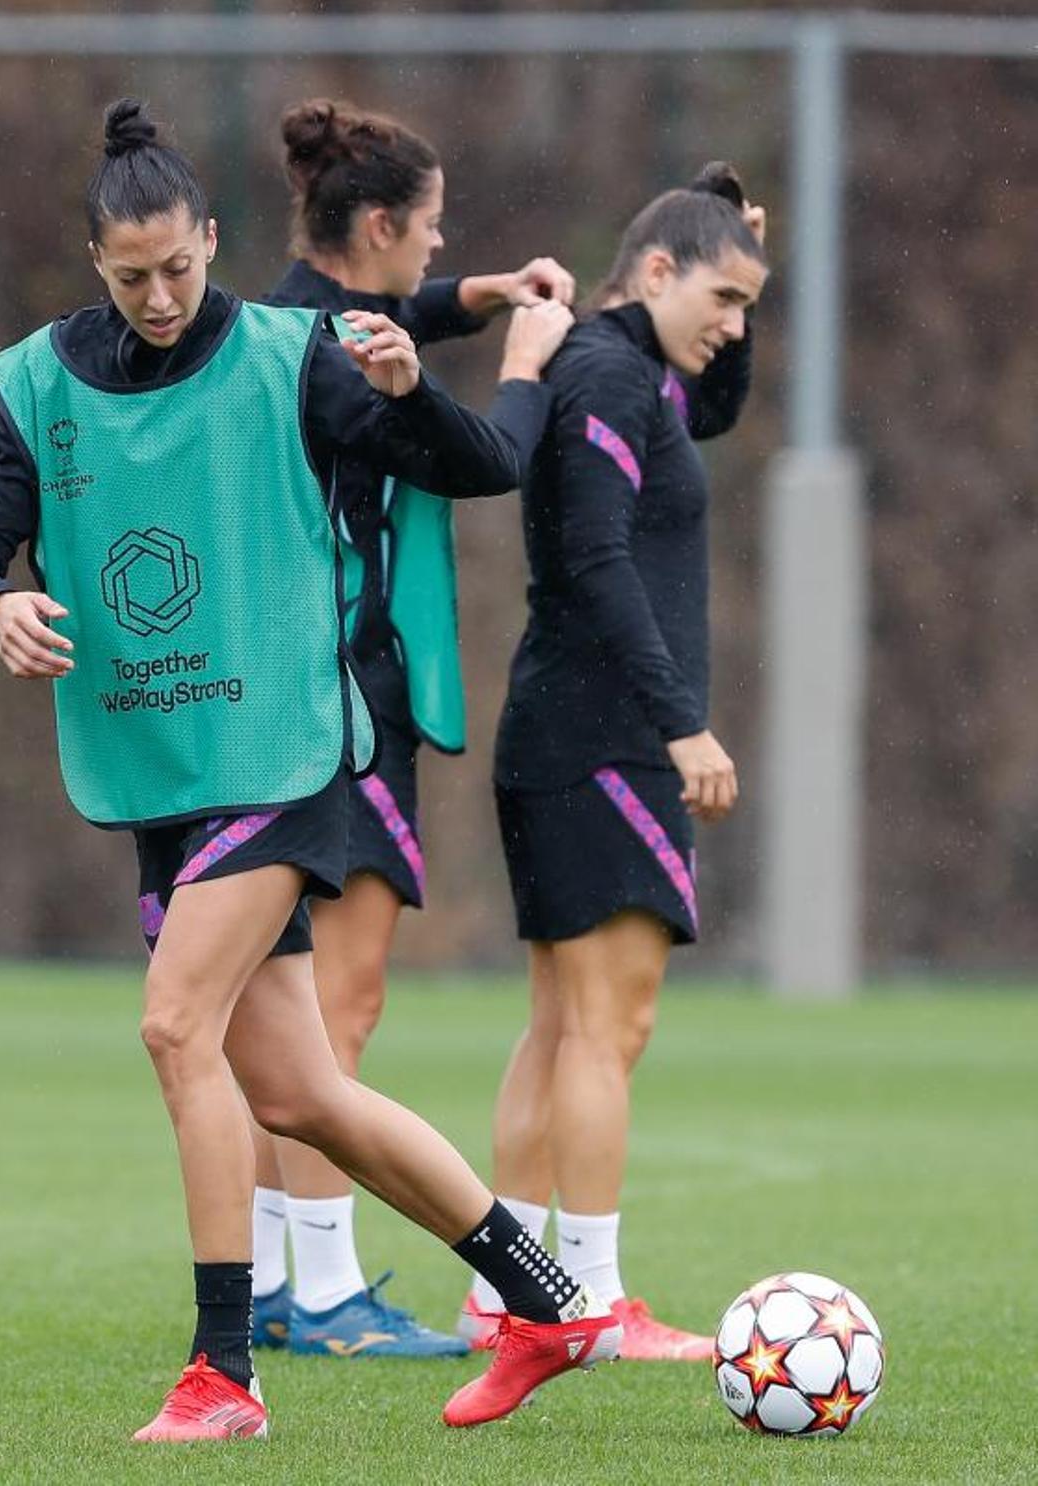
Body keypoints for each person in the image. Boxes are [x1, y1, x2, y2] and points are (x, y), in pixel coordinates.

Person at [0, 97, 615, 1440]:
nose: (159, 295)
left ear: (209, 236)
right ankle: (544, 1304)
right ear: (96, 262)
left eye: (180, 266)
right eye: (130, 276)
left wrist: (417, 391)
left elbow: (481, 466)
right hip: (164, 772)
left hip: (289, 755)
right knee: (302, 1092)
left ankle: (221, 1374)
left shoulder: (292, 357)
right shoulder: (39, 385)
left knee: (172, 1024)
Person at [247, 96, 577, 1361]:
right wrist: (528, 364)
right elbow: (487, 454)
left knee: (297, 1014)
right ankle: (327, 1295)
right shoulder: (335, 354)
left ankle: (289, 1276)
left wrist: (472, 298)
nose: (439, 250)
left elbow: (361, 325)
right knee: (339, 1008)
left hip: (290, 703)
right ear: (377, 221)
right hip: (348, 711)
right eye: (431, 231)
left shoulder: (280, 321)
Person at [456, 165, 768, 1363]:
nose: (734, 326)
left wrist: (733, 264)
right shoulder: (601, 372)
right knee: (603, 1028)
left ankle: (513, 1295)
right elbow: (591, 559)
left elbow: (720, 404)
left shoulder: (641, 377)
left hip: (576, 737)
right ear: (654, 272)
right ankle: (586, 1301)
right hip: (599, 743)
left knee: (561, 1027)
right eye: (726, 296)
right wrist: (679, 720)